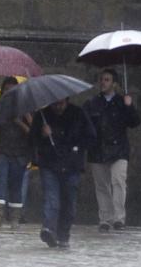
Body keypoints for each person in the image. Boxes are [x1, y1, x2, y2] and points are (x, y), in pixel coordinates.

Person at [32, 97, 96, 248]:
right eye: (55, 103)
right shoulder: (42, 115)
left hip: (71, 164)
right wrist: (42, 134)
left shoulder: (78, 113)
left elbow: (91, 136)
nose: (58, 107)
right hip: (49, 163)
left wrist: (77, 147)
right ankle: (49, 228)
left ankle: (63, 234)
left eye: (61, 103)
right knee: (51, 198)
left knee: (69, 201)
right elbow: (32, 139)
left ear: (67, 101)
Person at [84, 67, 141, 231]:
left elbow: (135, 122)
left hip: (119, 149)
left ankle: (118, 218)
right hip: (98, 149)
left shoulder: (122, 102)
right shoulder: (93, 103)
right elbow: (86, 123)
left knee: (118, 181)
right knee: (101, 185)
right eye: (102, 79)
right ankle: (105, 218)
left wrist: (129, 106)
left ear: (114, 83)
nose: (103, 82)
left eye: (107, 79)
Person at [0, 77, 32, 228]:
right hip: (0, 150)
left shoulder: (25, 107)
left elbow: (33, 131)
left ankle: (15, 217)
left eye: (13, 90)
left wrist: (21, 120)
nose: (10, 93)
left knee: (16, 185)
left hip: (19, 152)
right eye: (7, 90)